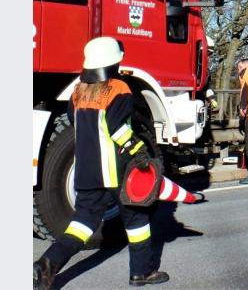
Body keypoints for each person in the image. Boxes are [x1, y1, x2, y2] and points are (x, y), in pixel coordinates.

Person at [34, 37, 169, 289]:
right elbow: (118, 130)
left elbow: (76, 123)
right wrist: (140, 153)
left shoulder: (78, 92)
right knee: (137, 219)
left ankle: (47, 265)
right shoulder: (120, 89)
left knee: (83, 223)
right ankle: (141, 273)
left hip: (86, 171)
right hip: (117, 170)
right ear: (113, 61)